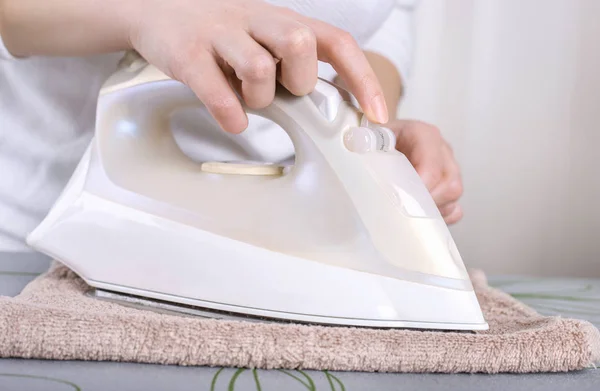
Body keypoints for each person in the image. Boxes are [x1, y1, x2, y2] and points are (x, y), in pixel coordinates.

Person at [0, 0, 463, 252]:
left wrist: (367, 125)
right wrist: (145, 12)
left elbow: (386, 16)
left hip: (292, 225)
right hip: (31, 236)